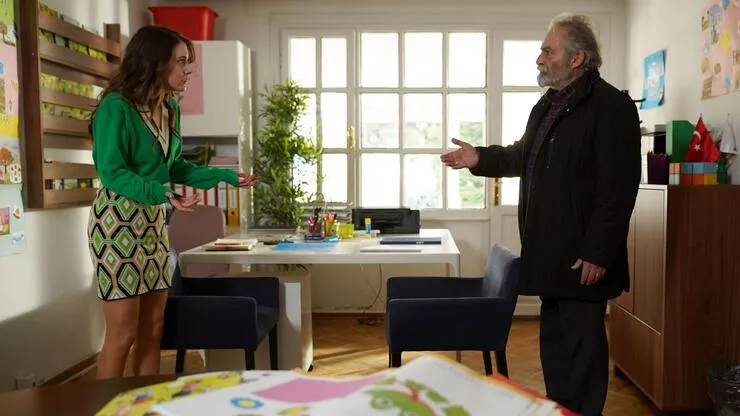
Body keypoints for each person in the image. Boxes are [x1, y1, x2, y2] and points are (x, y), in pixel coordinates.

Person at [441, 13, 640, 416]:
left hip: (584, 259)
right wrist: (479, 158)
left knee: (582, 351)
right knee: (555, 349)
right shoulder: (547, 105)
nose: (539, 58)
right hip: (550, 253)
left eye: (548, 51)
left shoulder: (611, 106)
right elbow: (522, 155)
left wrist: (598, 252)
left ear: (577, 58)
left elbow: (617, 189)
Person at [87, 26, 258, 379]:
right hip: (116, 226)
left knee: (153, 329)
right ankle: (105, 404)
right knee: (123, 334)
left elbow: (175, 167)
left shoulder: (169, 109)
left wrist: (225, 176)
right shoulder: (116, 108)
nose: (187, 70)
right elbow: (112, 173)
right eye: (181, 61)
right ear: (155, 62)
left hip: (153, 225)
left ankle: (146, 402)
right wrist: (162, 193)